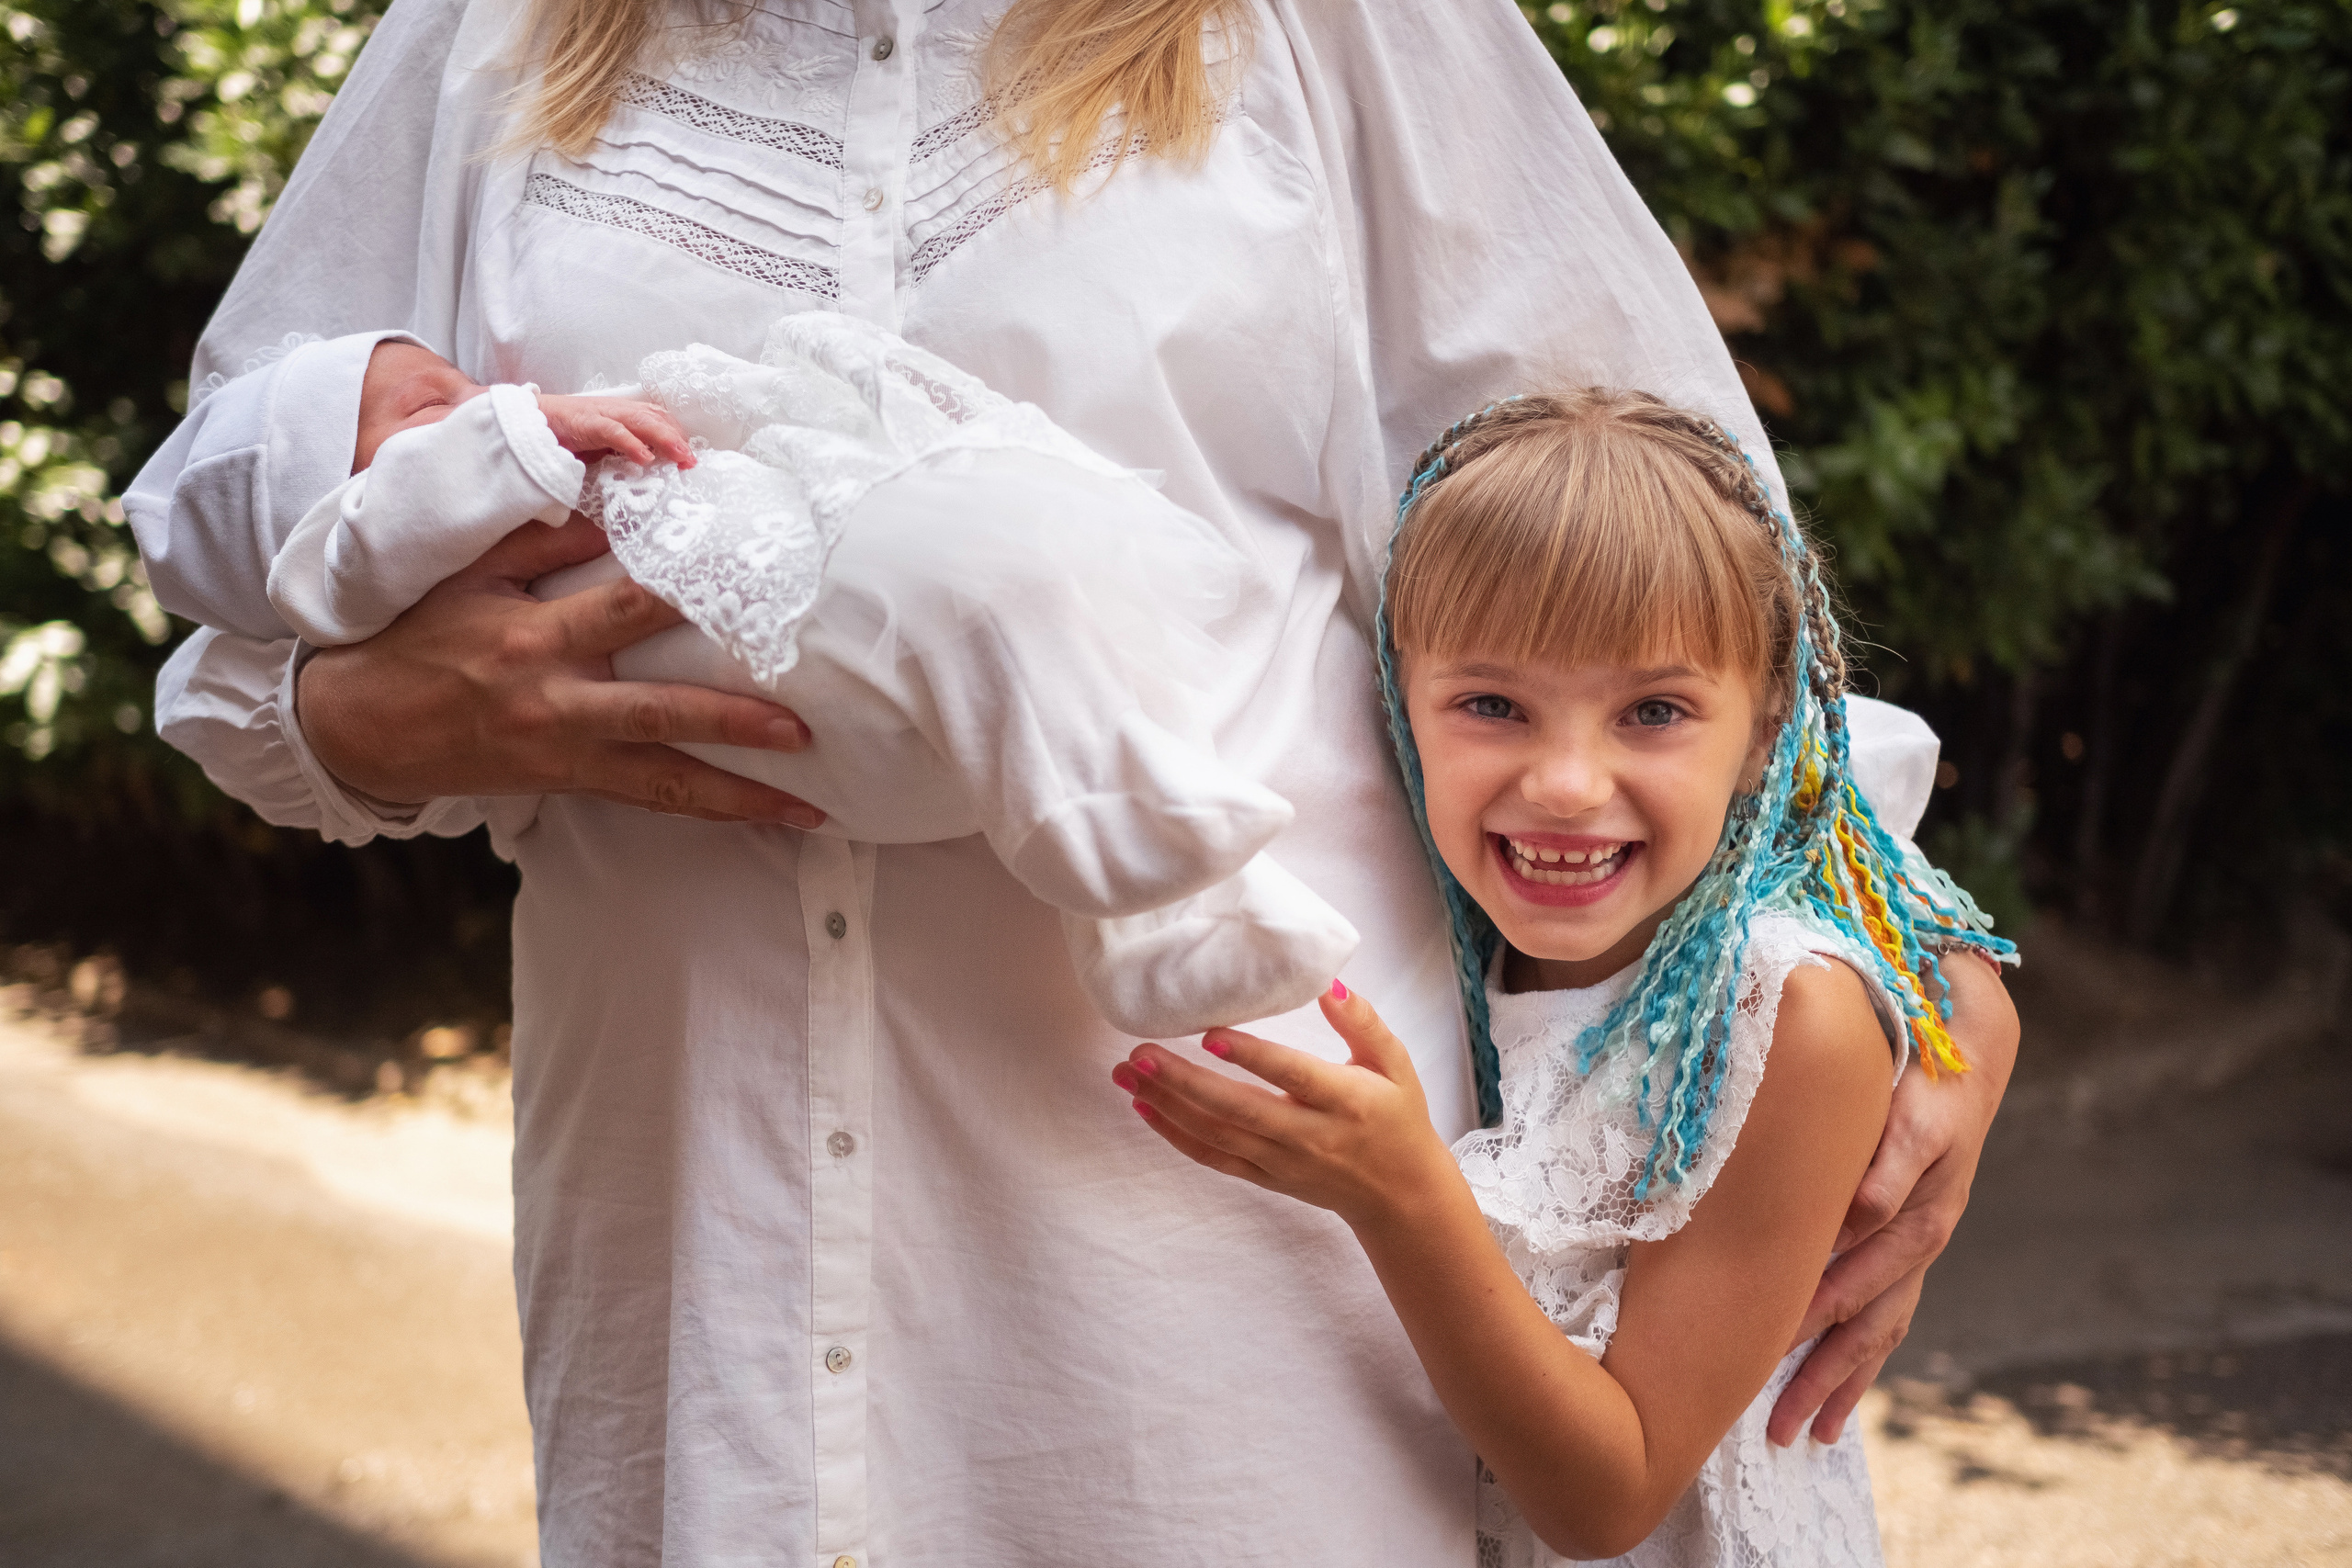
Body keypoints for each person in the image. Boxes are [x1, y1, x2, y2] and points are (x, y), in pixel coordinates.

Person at [125, 0, 2021, 1561]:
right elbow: (238, 516)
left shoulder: (1339, 29)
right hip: (697, 1248)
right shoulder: (499, 31)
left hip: (1227, 1280)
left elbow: (1677, 572)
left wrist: (1913, 962)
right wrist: (349, 721)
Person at [1114, 389, 2016, 1566]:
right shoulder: (1474, 950)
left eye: (1652, 712)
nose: (1567, 784)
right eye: (1492, 705)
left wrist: (1399, 1194)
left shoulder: (1791, 1013)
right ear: (1399, 708)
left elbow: (1608, 1499)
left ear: (1765, 731)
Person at [244, 313, 1357, 1036]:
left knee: (1046, 602)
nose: (482, 401)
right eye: (425, 408)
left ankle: (1173, 920)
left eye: (466, 387)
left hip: (850, 684)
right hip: (800, 684)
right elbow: (339, 574)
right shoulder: (344, 541)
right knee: (986, 591)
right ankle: (1104, 842)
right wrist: (517, 434)